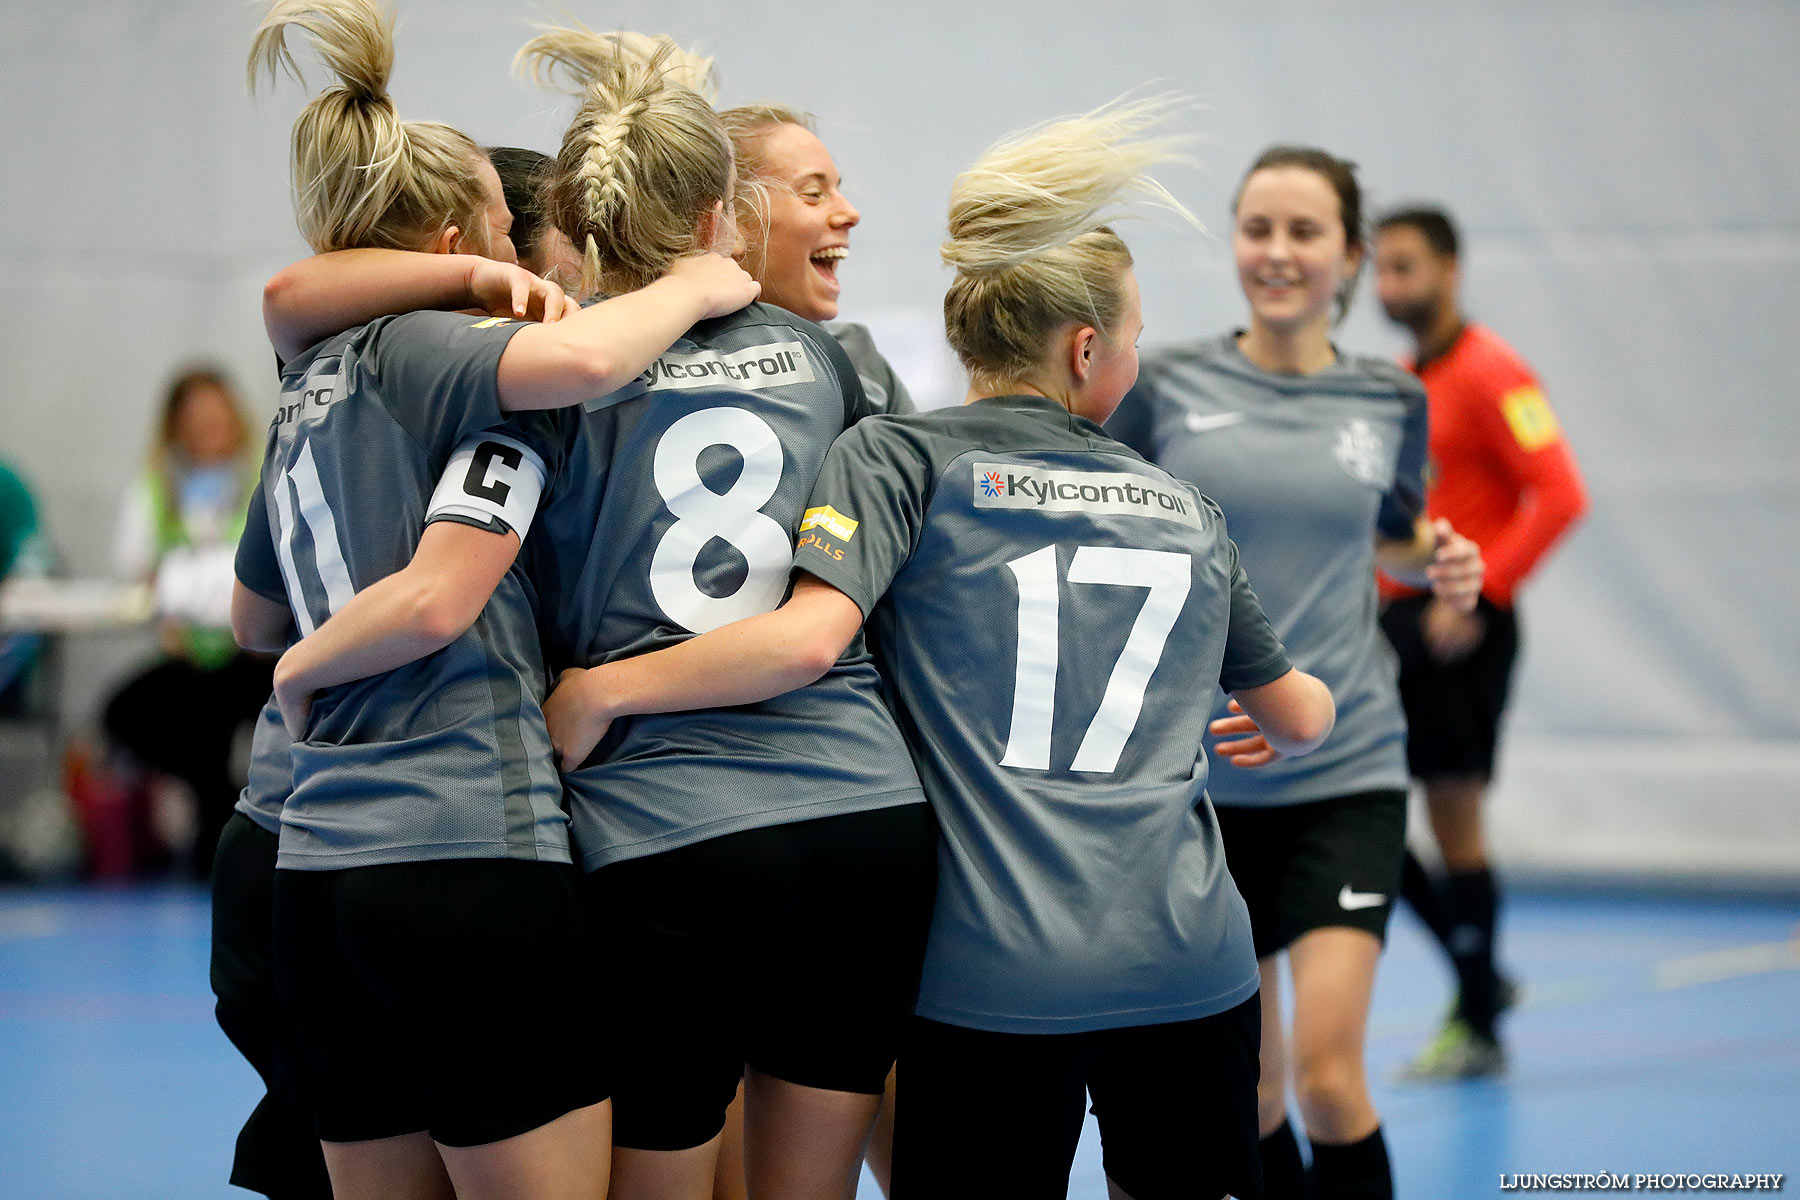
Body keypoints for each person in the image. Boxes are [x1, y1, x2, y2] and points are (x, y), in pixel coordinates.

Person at [544, 98, 1338, 1200]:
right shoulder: (1178, 502)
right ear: (1088, 347)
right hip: (1149, 936)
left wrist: (594, 692)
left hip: (955, 945)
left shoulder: (890, 456)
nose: (845, 213)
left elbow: (814, 631)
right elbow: (1301, 716)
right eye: (814, 191)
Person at [253, 27, 925, 1200]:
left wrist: (302, 672)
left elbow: (417, 567)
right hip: (855, 810)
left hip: (632, 832)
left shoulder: (548, 366)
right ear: (726, 216)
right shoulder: (834, 364)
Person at [1107, 145, 1484, 1200]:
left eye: (1304, 232)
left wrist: (1440, 554)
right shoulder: (1167, 383)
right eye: (1258, 229)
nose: (1277, 253)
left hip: (1344, 772)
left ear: (1352, 256)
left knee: (1327, 1083)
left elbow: (1395, 533)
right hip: (1203, 789)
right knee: (1257, 1100)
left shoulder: (1388, 398)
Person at [1373, 204, 1589, 1078]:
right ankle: (1483, 978)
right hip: (1396, 626)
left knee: (1452, 817)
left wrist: (1481, 590)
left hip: (1462, 630)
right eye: (1382, 269)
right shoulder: (1400, 380)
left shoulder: (1498, 374)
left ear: (1451, 270)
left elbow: (1561, 496)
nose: (1391, 286)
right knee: (1370, 810)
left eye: (1407, 267)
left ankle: (1479, 1019)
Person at [102, 366, 269, 876]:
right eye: (196, 420)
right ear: (175, 428)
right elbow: (139, 574)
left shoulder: (266, 476)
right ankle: (213, 828)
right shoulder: (154, 491)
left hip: (255, 654)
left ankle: (222, 834)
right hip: (190, 657)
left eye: (217, 417)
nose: (209, 428)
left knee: (218, 713)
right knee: (132, 714)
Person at [721, 104, 915, 415]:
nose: (851, 213)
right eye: (813, 193)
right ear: (727, 219)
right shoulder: (649, 352)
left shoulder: (858, 359)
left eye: (838, 189)